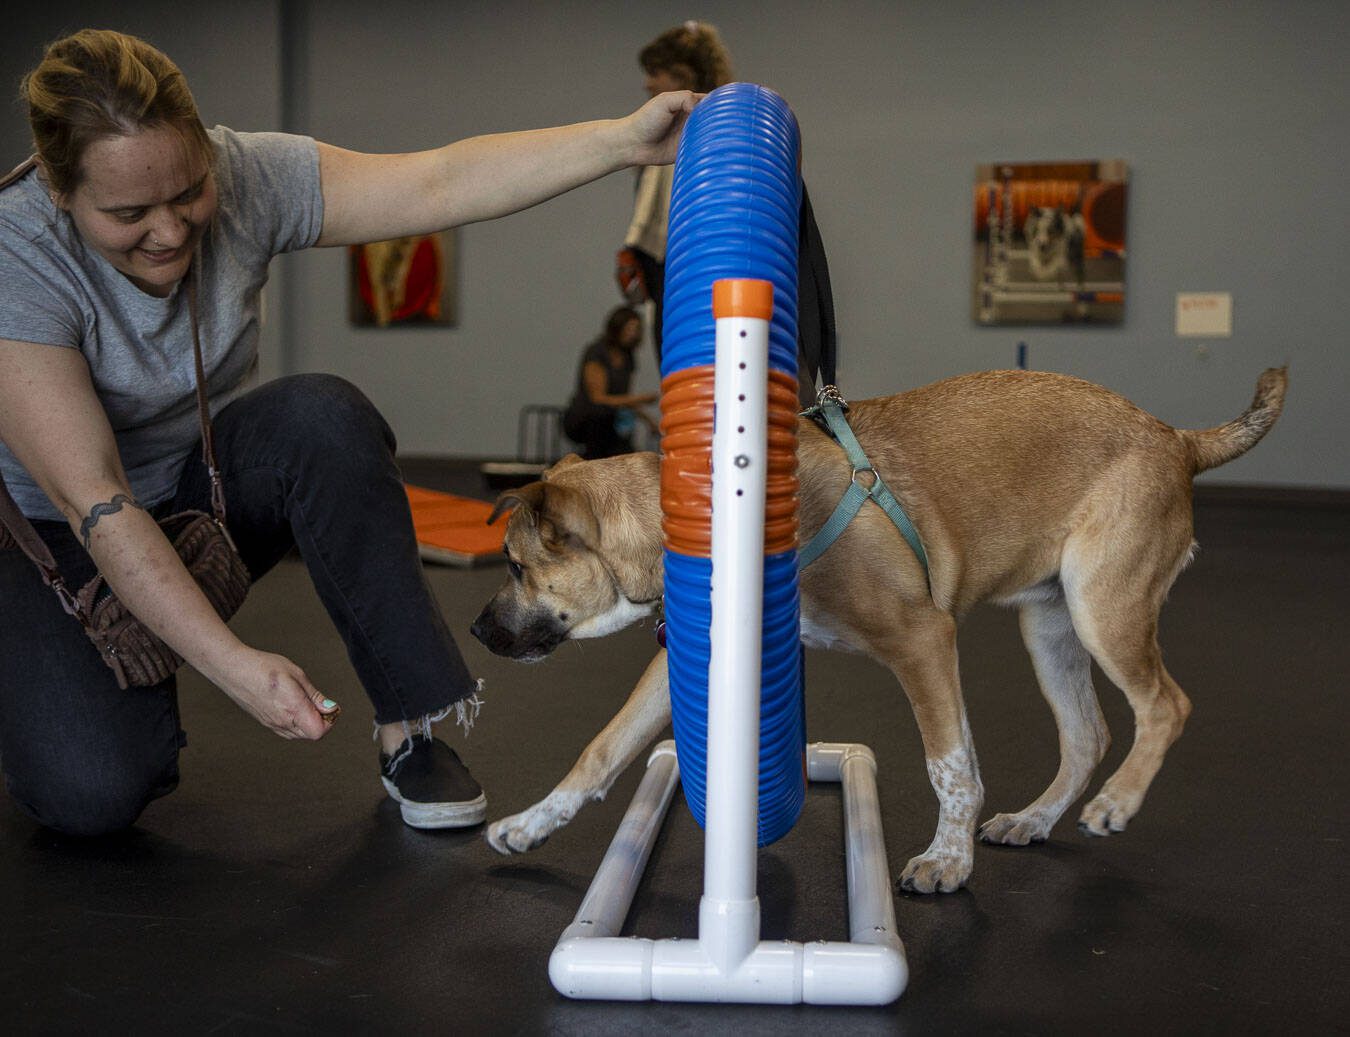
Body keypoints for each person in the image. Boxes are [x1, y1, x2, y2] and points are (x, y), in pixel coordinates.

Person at [0, 29, 699, 838]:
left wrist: (623, 141)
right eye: (129, 213)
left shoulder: (246, 176)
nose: (169, 230)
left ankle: (412, 727)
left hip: (201, 488)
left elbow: (438, 182)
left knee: (320, 417)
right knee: (97, 795)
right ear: (57, 187)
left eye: (188, 192)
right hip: (62, 535)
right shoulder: (18, 255)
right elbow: (99, 499)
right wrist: (237, 667)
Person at [620, 21, 733, 367]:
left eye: (656, 72)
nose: (647, 83)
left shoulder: (709, 131)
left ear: (683, 75)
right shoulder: (664, 132)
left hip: (690, 272)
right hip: (664, 270)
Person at [562, 305, 657, 459]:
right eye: (628, 328)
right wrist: (641, 399)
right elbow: (598, 398)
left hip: (609, 421)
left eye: (636, 329)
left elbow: (624, 397)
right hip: (586, 418)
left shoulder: (628, 358)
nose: (632, 334)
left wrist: (648, 420)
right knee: (601, 430)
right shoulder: (597, 352)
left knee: (624, 449)